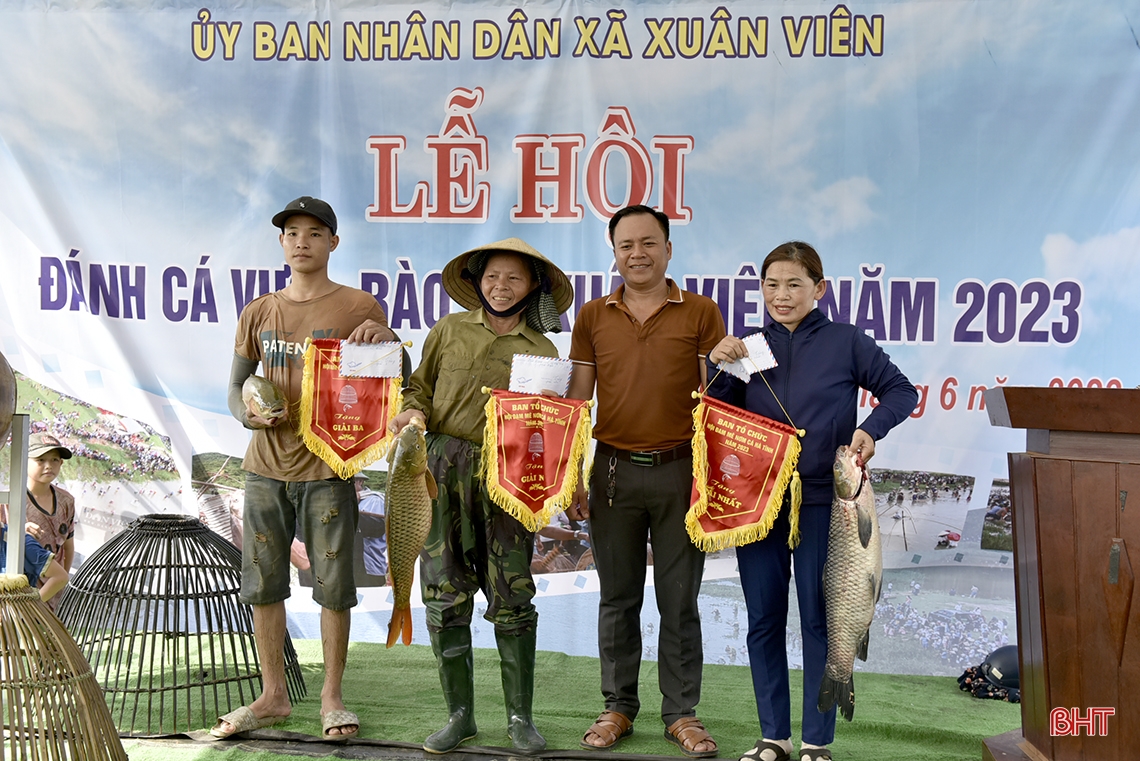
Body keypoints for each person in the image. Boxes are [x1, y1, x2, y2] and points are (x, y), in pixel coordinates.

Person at [705, 241, 917, 761]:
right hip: (759, 504)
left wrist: (870, 430)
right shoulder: (748, 347)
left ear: (818, 289)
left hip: (828, 504)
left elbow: (901, 392)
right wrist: (715, 363)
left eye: (794, 284)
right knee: (763, 619)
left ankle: (816, 742)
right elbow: (715, 412)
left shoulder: (847, 342)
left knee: (822, 618)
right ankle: (772, 736)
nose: (782, 295)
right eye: (771, 284)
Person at [214, 196, 396, 741]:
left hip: (327, 469)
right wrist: (245, 416)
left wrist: (385, 341)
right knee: (263, 584)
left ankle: (332, 698)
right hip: (265, 467)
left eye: (314, 233)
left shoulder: (360, 306)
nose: (301, 241)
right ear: (281, 242)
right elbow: (234, 385)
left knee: (333, 586)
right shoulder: (259, 311)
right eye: (291, 232)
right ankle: (272, 696)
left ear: (333, 243)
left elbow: (384, 380)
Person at [387, 237, 573, 754]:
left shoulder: (544, 350)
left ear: (533, 286)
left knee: (513, 595)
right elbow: (417, 388)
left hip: (510, 478)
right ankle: (460, 716)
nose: (501, 286)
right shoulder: (448, 330)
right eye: (492, 276)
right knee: (444, 594)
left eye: (514, 278)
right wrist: (413, 412)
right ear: (477, 281)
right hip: (440, 470)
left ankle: (520, 720)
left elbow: (550, 427)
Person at [568, 205, 726, 758]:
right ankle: (617, 706)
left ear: (668, 249)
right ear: (613, 252)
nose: (637, 253)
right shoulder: (592, 317)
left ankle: (681, 711)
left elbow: (719, 399)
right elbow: (575, 402)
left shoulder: (703, 313)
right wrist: (569, 476)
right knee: (618, 597)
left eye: (648, 243)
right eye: (625, 245)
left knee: (679, 599)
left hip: (682, 470)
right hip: (610, 472)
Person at [1, 433, 77, 612]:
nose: (48, 466)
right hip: (20, 592)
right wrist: (17, 531)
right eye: (40, 460)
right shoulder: (9, 501)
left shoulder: (66, 501)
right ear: (24, 461)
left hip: (53, 588)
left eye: (55, 460)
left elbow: (68, 547)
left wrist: (61, 583)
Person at [353, 473, 387, 583]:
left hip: (370, 569)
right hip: (353, 569)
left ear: (360, 482)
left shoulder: (374, 500)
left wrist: (349, 506)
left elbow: (373, 529)